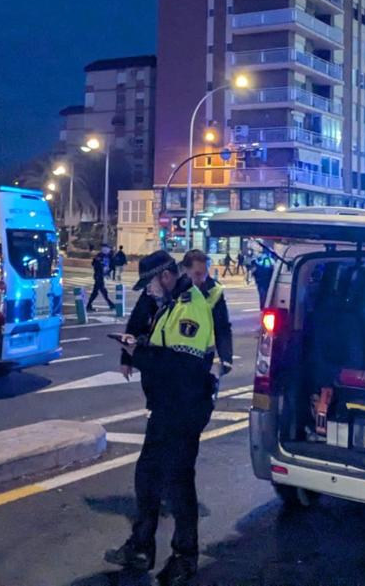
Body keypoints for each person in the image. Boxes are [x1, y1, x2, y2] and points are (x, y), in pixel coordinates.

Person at [104, 250, 216, 584]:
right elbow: (165, 351)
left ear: (165, 276)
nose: (148, 291)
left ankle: (185, 556)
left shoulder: (189, 308)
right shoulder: (171, 304)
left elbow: (180, 367)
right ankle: (141, 547)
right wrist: (137, 343)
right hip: (167, 407)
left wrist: (139, 353)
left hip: (184, 408)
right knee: (148, 476)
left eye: (150, 284)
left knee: (178, 484)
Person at [182, 249, 233, 379]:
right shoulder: (173, 287)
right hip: (174, 357)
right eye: (197, 274)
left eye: (205, 274)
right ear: (185, 270)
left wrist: (226, 357)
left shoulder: (214, 291)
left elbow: (222, 328)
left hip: (202, 358)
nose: (202, 279)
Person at [119, 288, 158, 381]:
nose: (150, 288)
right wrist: (126, 357)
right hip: (158, 354)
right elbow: (138, 318)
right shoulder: (155, 292)